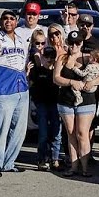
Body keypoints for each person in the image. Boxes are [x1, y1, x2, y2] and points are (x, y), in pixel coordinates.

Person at [0, 10, 30, 176]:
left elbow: (23, 63)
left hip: (21, 89)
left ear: (16, 22)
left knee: (19, 130)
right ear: (1, 21)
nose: (8, 21)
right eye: (5, 19)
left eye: (12, 19)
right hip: (3, 90)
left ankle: (9, 163)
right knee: (1, 129)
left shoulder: (22, 40)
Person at [54, 31, 99, 176]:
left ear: (81, 43)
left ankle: (85, 168)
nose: (74, 46)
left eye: (77, 43)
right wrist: (71, 82)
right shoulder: (62, 58)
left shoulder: (88, 57)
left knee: (82, 133)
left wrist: (93, 82)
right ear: (67, 43)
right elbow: (56, 78)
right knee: (71, 133)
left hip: (86, 101)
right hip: (66, 100)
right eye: (71, 43)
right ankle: (73, 167)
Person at [30, 28, 63, 171]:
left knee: (56, 132)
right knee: (43, 133)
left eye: (52, 57)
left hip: (55, 103)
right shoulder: (37, 70)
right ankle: (42, 158)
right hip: (42, 103)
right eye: (46, 56)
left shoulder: (57, 71)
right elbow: (31, 84)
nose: (49, 59)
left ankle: (55, 158)